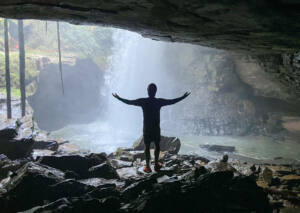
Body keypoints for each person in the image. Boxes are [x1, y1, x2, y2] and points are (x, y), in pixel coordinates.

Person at [112, 83, 190, 173]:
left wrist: (118, 98)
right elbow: (172, 101)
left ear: (147, 91)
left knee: (147, 147)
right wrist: (183, 97)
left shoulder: (143, 101)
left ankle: (148, 167)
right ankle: (156, 164)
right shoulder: (159, 101)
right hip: (156, 128)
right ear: (155, 91)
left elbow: (130, 102)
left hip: (147, 128)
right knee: (157, 146)